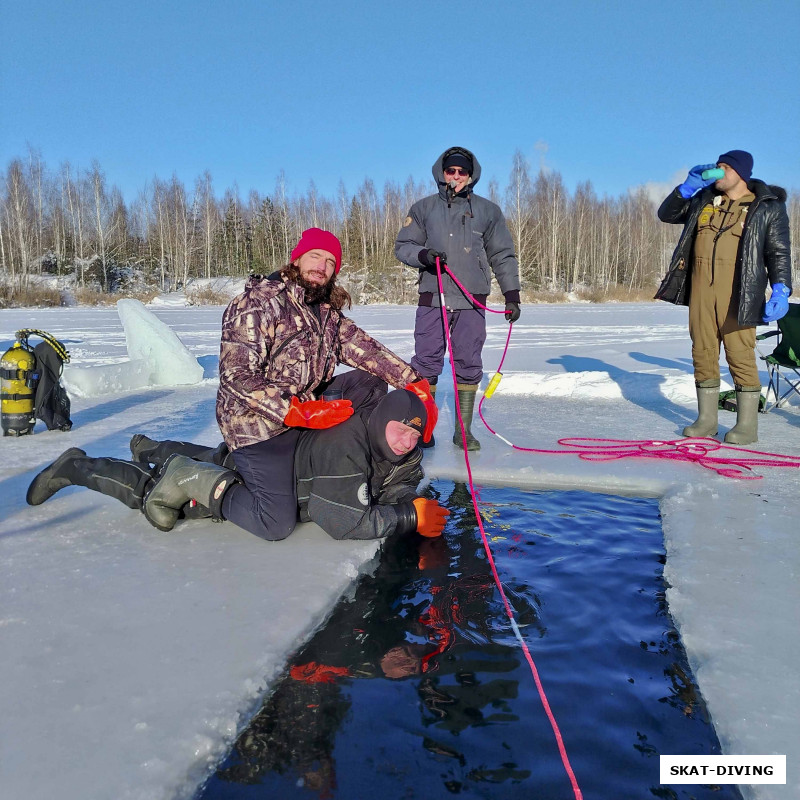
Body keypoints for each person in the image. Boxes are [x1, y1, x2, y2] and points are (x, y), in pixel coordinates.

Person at [26, 387, 450, 541]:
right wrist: (406, 517)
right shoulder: (348, 444)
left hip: (265, 461)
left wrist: (406, 500)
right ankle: (75, 467)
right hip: (257, 483)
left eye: (414, 435)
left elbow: (401, 479)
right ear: (380, 420)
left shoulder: (401, 449)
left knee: (217, 456)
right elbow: (341, 519)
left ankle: (153, 447)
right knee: (160, 496)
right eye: (400, 429)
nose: (406, 441)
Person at [656, 150, 792, 444]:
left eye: (724, 167)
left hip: (739, 292)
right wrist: (686, 189)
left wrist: (781, 288)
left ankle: (746, 426)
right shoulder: (703, 200)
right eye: (717, 166)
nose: (717, 171)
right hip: (701, 290)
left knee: (740, 355)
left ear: (740, 173)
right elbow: (667, 214)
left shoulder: (766, 206)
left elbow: (778, 252)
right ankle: (706, 420)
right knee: (702, 351)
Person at [395, 146, 521, 451]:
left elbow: (502, 254)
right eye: (450, 170)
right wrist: (423, 255)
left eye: (462, 171)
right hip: (433, 297)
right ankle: (424, 429)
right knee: (426, 362)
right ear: (442, 173)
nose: (456, 176)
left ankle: (463, 431)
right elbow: (403, 246)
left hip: (471, 300)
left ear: (470, 175)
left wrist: (512, 295)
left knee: (469, 361)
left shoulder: (488, 211)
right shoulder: (423, 208)